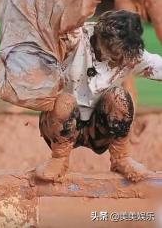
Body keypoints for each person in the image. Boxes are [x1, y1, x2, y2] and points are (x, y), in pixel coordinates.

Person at [37, 10, 162, 182]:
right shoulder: (73, 40)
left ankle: (121, 158)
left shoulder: (130, 54)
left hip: (99, 130)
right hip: (60, 126)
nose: (120, 60)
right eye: (116, 53)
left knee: (119, 97)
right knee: (64, 101)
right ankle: (59, 159)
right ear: (101, 39)